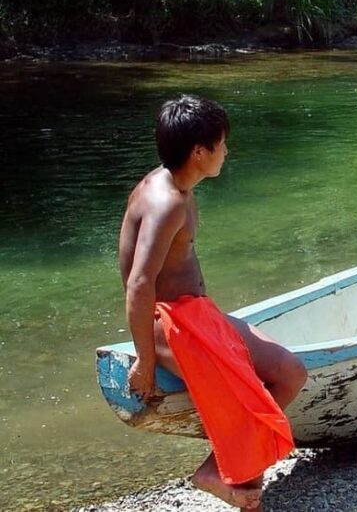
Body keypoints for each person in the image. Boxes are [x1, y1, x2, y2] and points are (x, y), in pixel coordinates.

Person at [118, 95, 307, 511]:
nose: (227, 151)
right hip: (171, 322)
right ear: (199, 152)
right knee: (249, 396)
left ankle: (225, 473)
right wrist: (145, 361)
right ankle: (220, 478)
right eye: (222, 144)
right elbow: (138, 284)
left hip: (196, 312)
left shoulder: (179, 186)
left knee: (289, 372)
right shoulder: (166, 202)